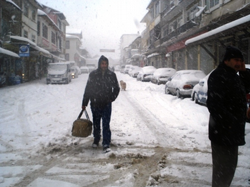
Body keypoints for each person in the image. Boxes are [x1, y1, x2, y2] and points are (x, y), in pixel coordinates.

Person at [207, 46, 250, 187]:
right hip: (223, 133)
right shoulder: (219, 75)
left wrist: (243, 72)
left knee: (229, 169)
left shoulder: (234, 75)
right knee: (223, 171)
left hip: (231, 133)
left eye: (241, 60)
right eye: (236, 60)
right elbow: (214, 104)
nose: (239, 63)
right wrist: (230, 122)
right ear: (226, 61)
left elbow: (247, 87)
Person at [82, 55, 120, 153]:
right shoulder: (93, 75)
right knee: (96, 122)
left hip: (106, 103)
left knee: (106, 123)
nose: (104, 65)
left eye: (105, 63)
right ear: (99, 64)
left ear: (107, 64)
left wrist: (112, 98)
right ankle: (96, 139)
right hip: (95, 103)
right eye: (102, 63)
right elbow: (88, 89)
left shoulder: (111, 75)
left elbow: (116, 88)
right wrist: (84, 103)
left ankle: (106, 143)